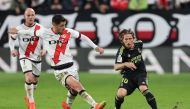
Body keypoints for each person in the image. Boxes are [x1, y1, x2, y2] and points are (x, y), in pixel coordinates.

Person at [9, 14, 106, 109]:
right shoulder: (44, 33)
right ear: (54, 25)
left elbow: (82, 37)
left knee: (74, 90)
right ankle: (95, 105)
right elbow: (28, 32)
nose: (64, 28)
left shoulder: (68, 31)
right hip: (60, 71)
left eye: (64, 25)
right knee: (77, 86)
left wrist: (96, 47)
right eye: (61, 26)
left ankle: (67, 106)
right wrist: (15, 31)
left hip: (72, 67)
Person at [8, 8, 45, 109]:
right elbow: (11, 40)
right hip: (25, 56)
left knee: (35, 81)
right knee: (29, 77)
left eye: (32, 15)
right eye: (28, 15)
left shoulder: (40, 28)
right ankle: (32, 103)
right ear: (24, 16)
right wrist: (12, 49)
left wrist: (44, 49)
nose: (30, 17)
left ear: (35, 16)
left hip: (37, 57)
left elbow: (46, 38)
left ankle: (29, 97)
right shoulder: (19, 28)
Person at [114, 29, 157, 109]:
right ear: (122, 41)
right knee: (120, 94)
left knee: (143, 88)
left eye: (130, 38)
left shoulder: (139, 44)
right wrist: (126, 64)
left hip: (140, 73)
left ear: (133, 38)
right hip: (128, 76)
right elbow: (116, 67)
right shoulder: (121, 51)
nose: (128, 41)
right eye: (126, 39)